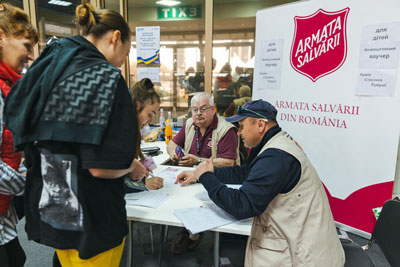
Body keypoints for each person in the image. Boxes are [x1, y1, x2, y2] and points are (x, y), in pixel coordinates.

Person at [4, 1, 146, 266]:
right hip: (94, 218)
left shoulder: (51, 67)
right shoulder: (106, 78)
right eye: (127, 50)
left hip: (55, 209)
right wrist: (130, 166)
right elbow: (101, 167)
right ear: (116, 38)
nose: (124, 59)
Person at [175, 99, 345, 266]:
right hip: (301, 240)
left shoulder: (275, 157)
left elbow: (242, 206)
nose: (239, 132)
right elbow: (246, 172)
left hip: (305, 257)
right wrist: (204, 173)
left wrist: (207, 178)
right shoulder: (274, 143)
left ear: (260, 125)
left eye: (241, 127)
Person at [166, 92, 239, 254]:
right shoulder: (190, 124)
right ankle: (190, 231)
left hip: (219, 178)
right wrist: (172, 152)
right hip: (192, 176)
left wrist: (198, 161)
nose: (198, 113)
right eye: (194, 109)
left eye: (203, 109)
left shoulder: (227, 130)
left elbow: (229, 162)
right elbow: (171, 143)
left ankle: (193, 233)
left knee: (199, 202)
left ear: (213, 110)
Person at [0, 3, 38, 267]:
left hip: (4, 210)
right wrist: (29, 183)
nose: (30, 54)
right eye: (26, 44)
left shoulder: (11, 88)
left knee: (15, 257)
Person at [131, 78, 163, 190]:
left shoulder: (133, 132)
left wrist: (137, 170)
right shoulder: (120, 131)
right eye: (150, 114)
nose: (150, 121)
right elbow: (108, 174)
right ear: (137, 106)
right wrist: (143, 184)